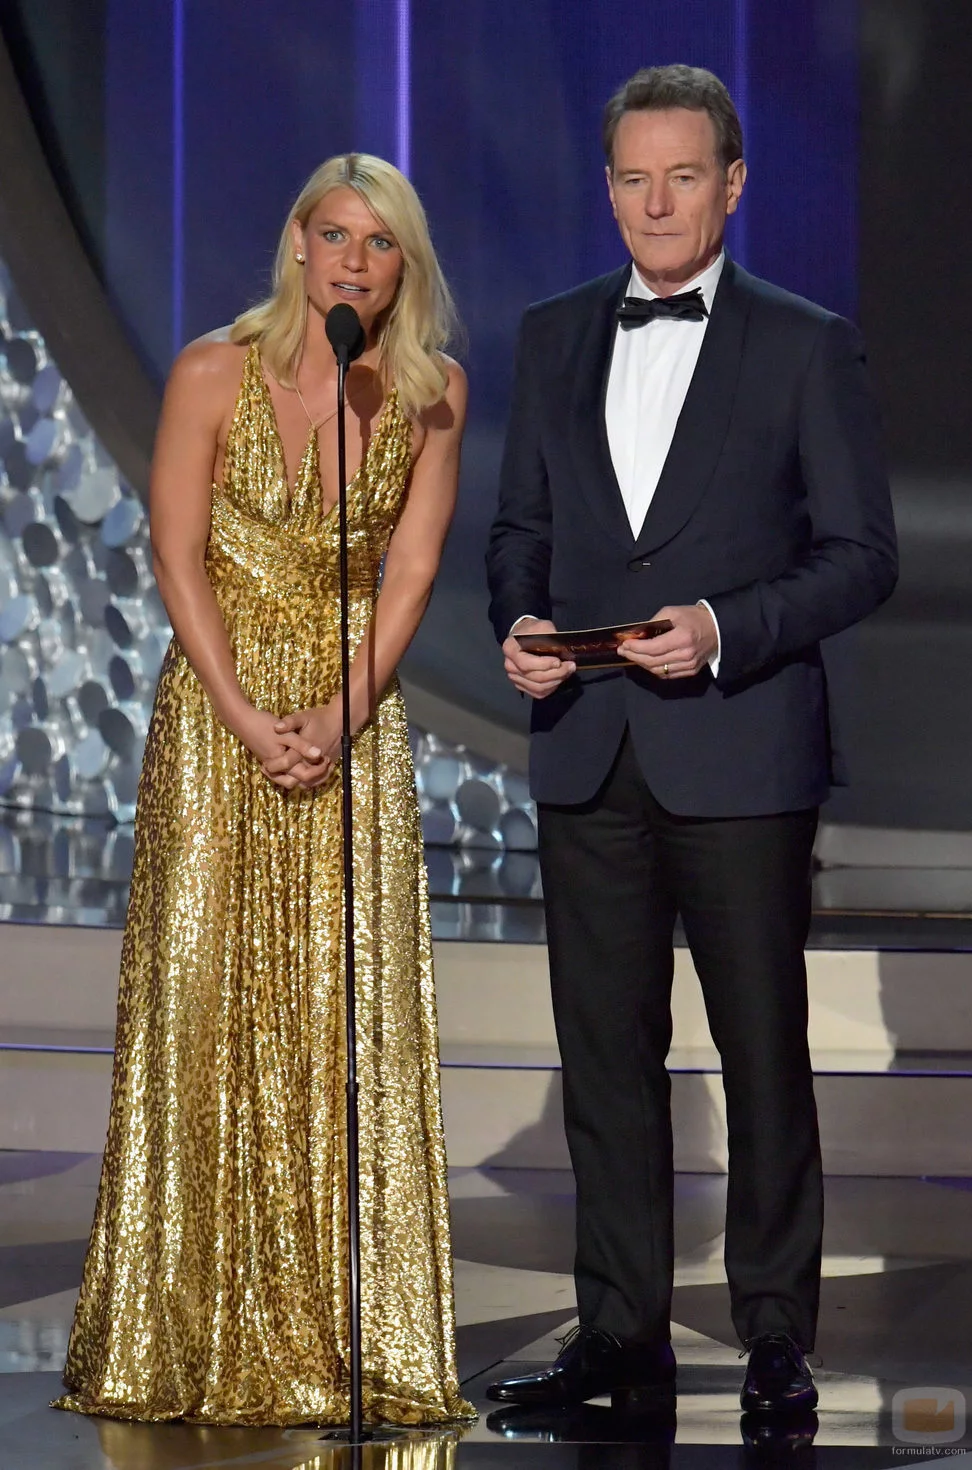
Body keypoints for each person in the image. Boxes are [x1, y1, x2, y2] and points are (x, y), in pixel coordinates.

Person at [485, 65, 897, 1417]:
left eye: (682, 176)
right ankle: (620, 1331)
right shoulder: (552, 334)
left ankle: (776, 1335)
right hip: (586, 745)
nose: (656, 202)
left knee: (761, 1050)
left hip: (739, 746)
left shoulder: (804, 343)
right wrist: (518, 620)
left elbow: (861, 555)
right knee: (604, 1058)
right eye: (633, 178)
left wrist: (724, 626)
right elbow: (520, 529)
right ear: (607, 190)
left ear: (731, 185)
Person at [56, 153, 473, 1427]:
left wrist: (340, 715)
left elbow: (411, 571)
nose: (354, 260)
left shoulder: (431, 394)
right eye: (335, 234)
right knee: (202, 1003)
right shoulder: (208, 372)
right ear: (297, 243)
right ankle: (182, 1331)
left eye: (380, 243)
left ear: (403, 266)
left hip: (351, 719)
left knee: (341, 1020)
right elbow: (175, 554)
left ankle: (343, 1333)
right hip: (218, 718)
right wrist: (246, 716)